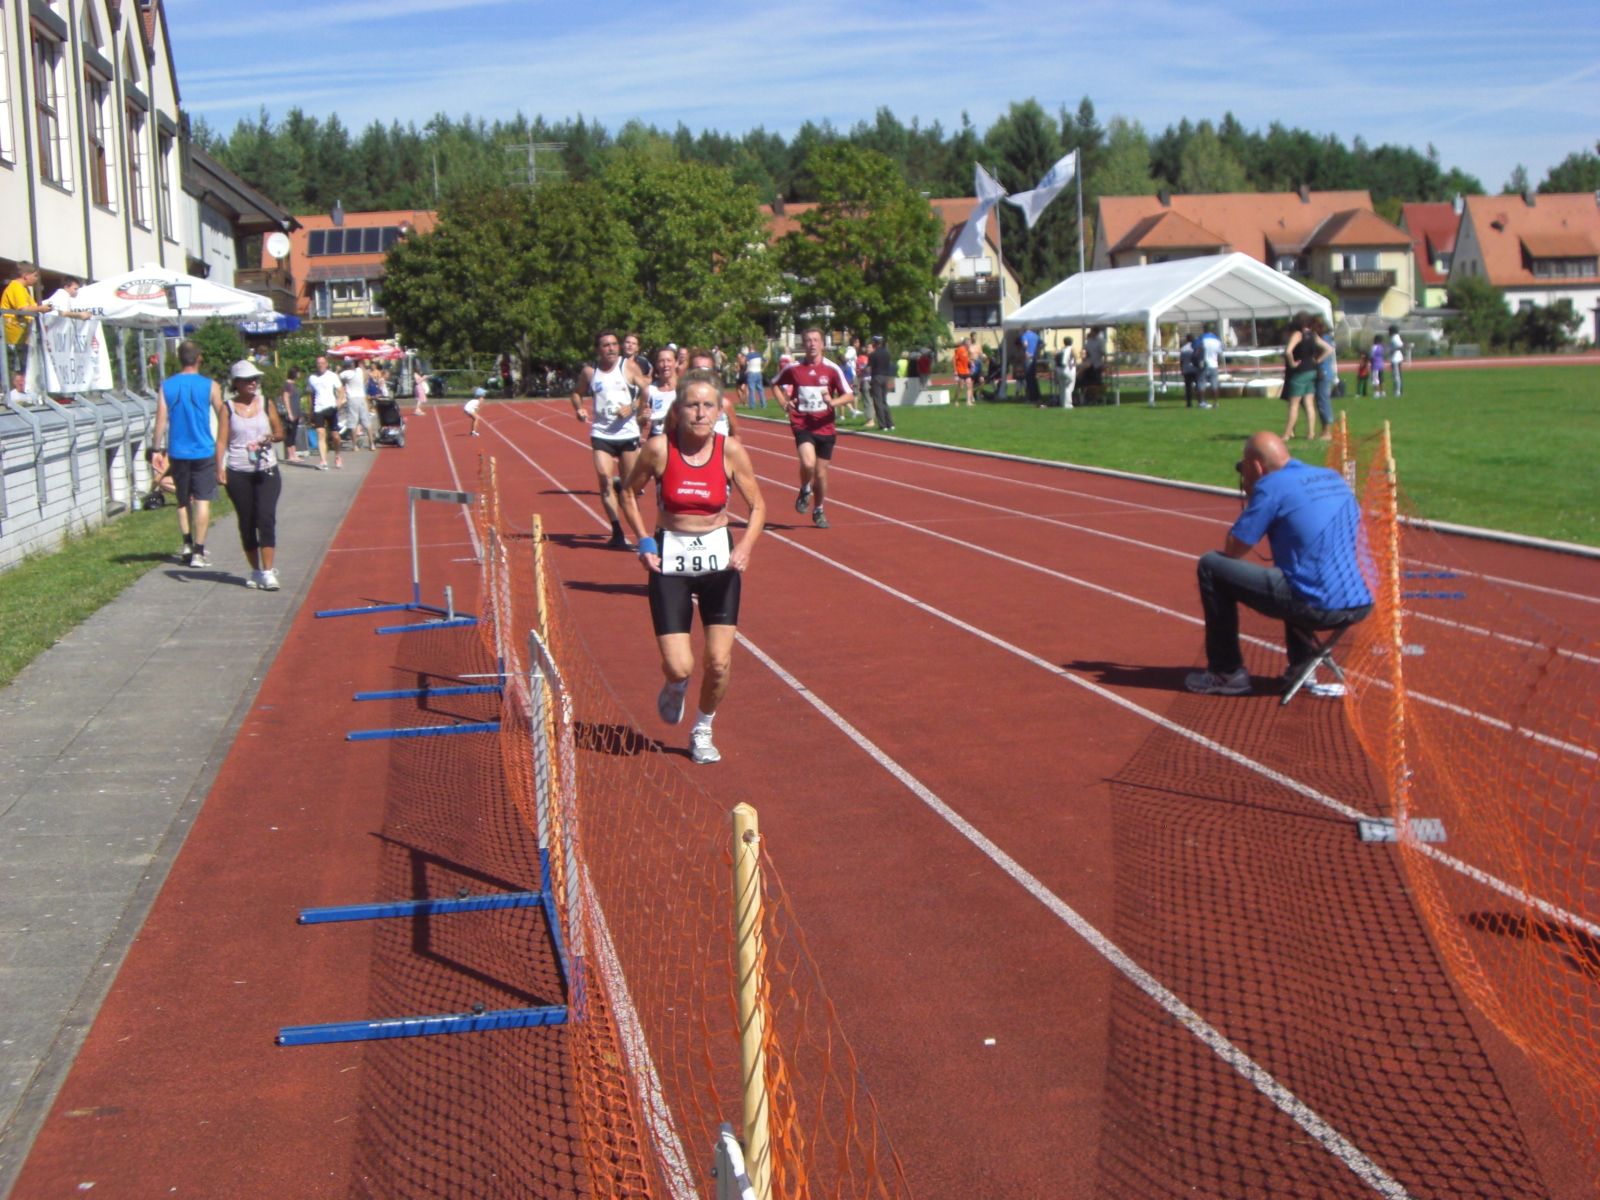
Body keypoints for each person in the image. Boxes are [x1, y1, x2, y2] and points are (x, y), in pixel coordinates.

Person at [618, 370, 767, 765]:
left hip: (719, 562)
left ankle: (702, 728)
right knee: (679, 664)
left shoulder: (730, 451)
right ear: (678, 410)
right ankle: (675, 682)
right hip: (671, 562)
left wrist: (746, 547)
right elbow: (628, 493)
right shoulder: (659, 449)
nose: (700, 413)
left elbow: (758, 507)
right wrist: (643, 541)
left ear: (719, 411)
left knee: (718, 662)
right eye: (692, 405)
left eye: (708, 405)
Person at [1186, 431, 1373, 695]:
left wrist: (1254, 496)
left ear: (1256, 467)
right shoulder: (1332, 477)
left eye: (1244, 468)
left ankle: (1226, 672)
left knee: (1211, 566)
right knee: (1299, 572)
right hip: (1362, 598)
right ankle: (1302, 666)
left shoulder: (1271, 485)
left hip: (1317, 605)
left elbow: (1234, 549)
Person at [151, 340, 227, 568]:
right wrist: (224, 441)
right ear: (199, 358)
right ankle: (198, 551)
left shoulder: (167, 385)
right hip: (203, 449)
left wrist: (156, 449)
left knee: (182, 499)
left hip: (178, 449)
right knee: (202, 500)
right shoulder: (210, 385)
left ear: (179, 359)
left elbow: (161, 419)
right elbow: (223, 413)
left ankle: (186, 543)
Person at [571, 330, 650, 547]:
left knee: (630, 488)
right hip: (602, 433)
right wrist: (579, 409)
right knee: (604, 480)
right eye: (606, 345)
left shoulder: (628, 367)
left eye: (614, 344)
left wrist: (633, 407)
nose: (612, 348)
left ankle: (636, 526)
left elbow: (645, 391)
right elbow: (576, 393)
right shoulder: (590, 372)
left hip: (627, 433)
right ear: (598, 349)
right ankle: (616, 531)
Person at [772, 328, 852, 528]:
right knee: (808, 464)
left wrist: (833, 403)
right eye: (808, 340)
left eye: (816, 340)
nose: (812, 344)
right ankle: (805, 488)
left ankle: (819, 509)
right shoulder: (794, 368)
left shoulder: (832, 369)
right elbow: (774, 384)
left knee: (821, 474)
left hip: (825, 426)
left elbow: (849, 395)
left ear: (822, 344)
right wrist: (784, 403)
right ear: (803, 344)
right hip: (803, 424)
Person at [219, 360, 286, 590]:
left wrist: (270, 438)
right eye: (248, 380)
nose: (253, 383)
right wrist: (219, 467)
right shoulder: (227, 408)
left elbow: (280, 432)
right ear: (236, 383)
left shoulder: (266, 403)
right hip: (238, 471)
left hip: (266, 469)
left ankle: (268, 571)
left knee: (265, 517)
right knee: (247, 521)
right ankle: (256, 571)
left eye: (255, 379)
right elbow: (221, 441)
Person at [1281, 311, 1330, 441]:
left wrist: (1292, 363)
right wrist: (1318, 360)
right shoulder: (1313, 335)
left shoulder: (1298, 334)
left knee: (1294, 405)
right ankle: (1311, 433)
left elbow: (1288, 351)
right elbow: (1329, 349)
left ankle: (1287, 434)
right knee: (1309, 404)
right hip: (1312, 371)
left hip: (1300, 372)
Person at [3, 262, 51, 376]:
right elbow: (23, 309)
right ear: (25, 275)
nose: (36, 279)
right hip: (11, 338)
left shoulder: (25, 290)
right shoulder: (15, 287)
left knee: (22, 370)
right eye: (35, 275)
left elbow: (32, 307)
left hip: (21, 338)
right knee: (12, 371)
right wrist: (41, 308)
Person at [306, 355, 345, 469]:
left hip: (331, 407)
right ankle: (323, 461)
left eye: (322, 363)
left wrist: (339, 401)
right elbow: (310, 395)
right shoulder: (312, 378)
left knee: (335, 436)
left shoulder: (332, 376)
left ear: (326, 364)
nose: (320, 365)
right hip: (318, 408)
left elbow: (341, 390)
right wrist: (310, 410)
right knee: (320, 433)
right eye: (318, 363)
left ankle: (337, 455)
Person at [1312, 318, 1337, 440]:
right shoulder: (1325, 337)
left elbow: (1329, 350)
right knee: (1320, 401)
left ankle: (1327, 431)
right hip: (1323, 371)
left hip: (1323, 371)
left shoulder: (1323, 338)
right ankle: (1324, 430)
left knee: (1323, 401)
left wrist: (1317, 360)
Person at [867, 333, 895, 432]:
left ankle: (883, 425)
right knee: (884, 401)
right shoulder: (887, 353)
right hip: (886, 377)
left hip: (877, 377)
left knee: (878, 402)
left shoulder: (873, 354)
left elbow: (869, 368)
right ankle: (890, 423)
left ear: (875, 343)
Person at [274, 367, 302, 463]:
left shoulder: (294, 384)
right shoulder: (287, 385)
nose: (299, 374)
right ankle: (290, 455)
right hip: (291, 412)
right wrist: (289, 413)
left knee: (294, 433)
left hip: (296, 412)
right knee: (290, 433)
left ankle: (294, 454)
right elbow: (285, 398)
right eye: (298, 372)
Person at [1196, 324, 1223, 409]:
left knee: (1201, 384)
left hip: (1204, 363)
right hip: (1214, 364)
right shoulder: (1217, 340)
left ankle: (1202, 402)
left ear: (1204, 329)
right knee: (1214, 385)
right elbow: (1220, 353)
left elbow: (1195, 347)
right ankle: (1216, 402)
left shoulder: (1201, 338)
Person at [1054, 338, 1077, 409]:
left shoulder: (1061, 350)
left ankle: (1062, 403)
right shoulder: (1071, 349)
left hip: (1058, 369)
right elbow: (1075, 356)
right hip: (1067, 369)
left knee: (1062, 387)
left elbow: (1055, 358)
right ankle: (1068, 404)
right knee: (1068, 387)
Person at [1179, 334, 1199, 408]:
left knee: (1188, 387)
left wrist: (1182, 369)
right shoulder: (1196, 347)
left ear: (1187, 339)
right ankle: (1200, 401)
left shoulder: (1183, 348)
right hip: (1195, 369)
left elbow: (1181, 361)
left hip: (1187, 369)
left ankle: (1189, 403)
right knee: (1198, 386)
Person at [742, 344, 765, 408]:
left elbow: (745, 363)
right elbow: (765, 360)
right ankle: (763, 404)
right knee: (760, 389)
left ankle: (752, 405)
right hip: (759, 372)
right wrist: (763, 368)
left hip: (751, 373)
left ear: (749, 349)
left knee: (752, 390)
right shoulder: (759, 354)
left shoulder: (748, 355)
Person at [953, 335, 972, 407]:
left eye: (970, 343)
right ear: (966, 343)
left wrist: (970, 363)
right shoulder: (960, 349)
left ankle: (968, 402)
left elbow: (966, 359)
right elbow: (954, 360)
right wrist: (955, 370)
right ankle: (956, 400)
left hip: (966, 371)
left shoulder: (967, 350)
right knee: (961, 387)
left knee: (969, 385)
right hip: (960, 371)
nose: (970, 344)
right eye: (969, 343)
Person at [1387, 325, 1406, 397]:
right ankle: (1398, 390)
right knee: (1397, 376)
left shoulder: (1394, 337)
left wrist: (1392, 351)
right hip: (1397, 358)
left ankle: (1398, 391)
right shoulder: (1396, 337)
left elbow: (1400, 346)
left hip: (1395, 359)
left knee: (1396, 376)